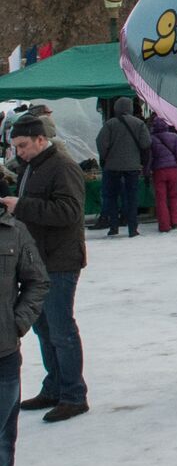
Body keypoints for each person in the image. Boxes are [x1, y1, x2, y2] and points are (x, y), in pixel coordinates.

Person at [3, 116, 89, 423]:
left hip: (59, 261)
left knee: (61, 329)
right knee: (44, 329)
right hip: (37, 262)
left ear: (41, 139)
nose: (19, 153)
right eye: (15, 148)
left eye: (23, 146)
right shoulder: (32, 167)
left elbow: (69, 212)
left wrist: (21, 206)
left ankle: (73, 395)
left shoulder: (63, 167)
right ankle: (54, 387)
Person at [0, 202, 49, 466]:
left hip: (3, 353)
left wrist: (16, 323)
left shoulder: (14, 231)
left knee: (2, 436)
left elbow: (37, 281)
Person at [94, 97, 151, 237]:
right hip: (132, 166)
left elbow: (101, 142)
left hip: (112, 166)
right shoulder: (139, 124)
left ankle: (113, 226)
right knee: (132, 197)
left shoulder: (110, 124)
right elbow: (146, 143)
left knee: (111, 196)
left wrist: (105, 157)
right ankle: (132, 228)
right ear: (131, 108)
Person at [146, 116, 177, 233]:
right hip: (173, 170)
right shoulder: (174, 137)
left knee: (161, 199)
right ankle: (175, 220)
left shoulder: (152, 139)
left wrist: (146, 171)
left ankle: (164, 225)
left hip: (159, 171)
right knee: (173, 196)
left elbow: (150, 158)